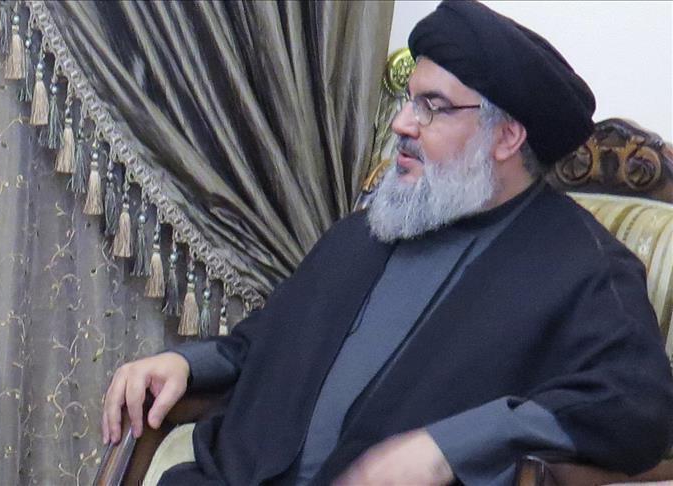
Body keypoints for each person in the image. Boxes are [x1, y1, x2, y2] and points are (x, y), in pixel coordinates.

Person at [102, 1, 673, 485]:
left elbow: (637, 408)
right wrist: (183, 363)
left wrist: (450, 446)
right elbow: (264, 346)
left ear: (506, 137)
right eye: (409, 99)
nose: (402, 122)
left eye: (432, 107)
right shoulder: (370, 228)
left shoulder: (584, 267)